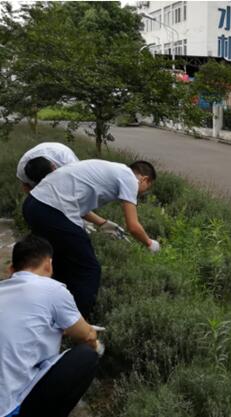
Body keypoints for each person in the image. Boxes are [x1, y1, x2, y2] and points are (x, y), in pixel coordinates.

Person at [22, 159, 160, 318]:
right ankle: (78, 324)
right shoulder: (130, 178)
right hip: (51, 209)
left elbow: (77, 204)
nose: (142, 193)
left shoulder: (111, 170)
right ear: (144, 179)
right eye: (147, 188)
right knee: (88, 270)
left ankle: (50, 314)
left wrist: (103, 223)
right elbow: (133, 226)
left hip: (33, 204)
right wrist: (150, 243)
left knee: (61, 265)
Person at [0, 235, 101, 417]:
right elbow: (87, 335)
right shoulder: (52, 289)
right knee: (86, 356)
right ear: (48, 264)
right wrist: (96, 346)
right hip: (7, 407)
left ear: (11, 270)